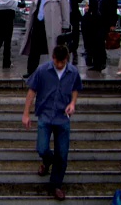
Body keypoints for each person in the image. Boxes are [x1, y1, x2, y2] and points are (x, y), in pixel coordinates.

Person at [22, 45, 83, 201]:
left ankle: (56, 184)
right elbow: (31, 91)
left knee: (62, 153)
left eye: (63, 62)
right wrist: (26, 113)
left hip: (63, 117)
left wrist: (73, 103)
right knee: (42, 148)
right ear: (53, 58)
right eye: (57, 62)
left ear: (66, 59)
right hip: (46, 115)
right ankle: (47, 161)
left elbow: (76, 88)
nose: (60, 65)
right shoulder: (43, 70)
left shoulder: (73, 72)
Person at [20, 0, 70, 79]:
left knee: (54, 49)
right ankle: (31, 71)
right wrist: (29, 25)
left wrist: (65, 26)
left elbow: (65, 11)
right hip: (38, 24)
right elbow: (32, 11)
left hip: (52, 25)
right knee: (34, 50)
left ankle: (57, 70)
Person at [85, 0, 117, 72]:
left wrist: (112, 24)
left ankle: (101, 63)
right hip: (94, 22)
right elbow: (92, 7)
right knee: (95, 43)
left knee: (100, 42)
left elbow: (113, 9)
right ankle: (97, 64)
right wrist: (88, 10)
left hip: (105, 22)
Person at [66, 0, 83, 65]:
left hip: (74, 18)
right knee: (67, 36)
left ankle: (74, 52)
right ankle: (68, 52)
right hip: (66, 17)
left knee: (75, 36)